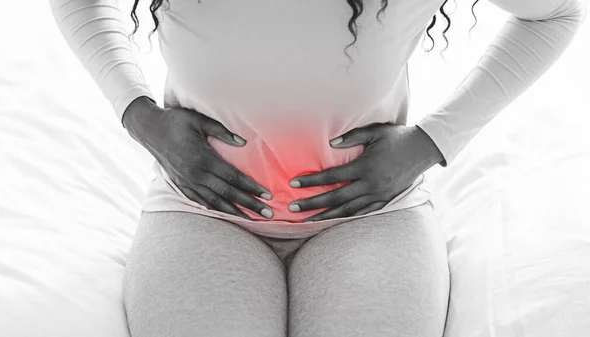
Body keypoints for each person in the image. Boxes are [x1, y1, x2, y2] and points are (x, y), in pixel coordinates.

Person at [49, 0, 586, 336]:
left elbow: (557, 13)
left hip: (371, 220)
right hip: (202, 215)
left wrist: (431, 141)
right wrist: (137, 112)